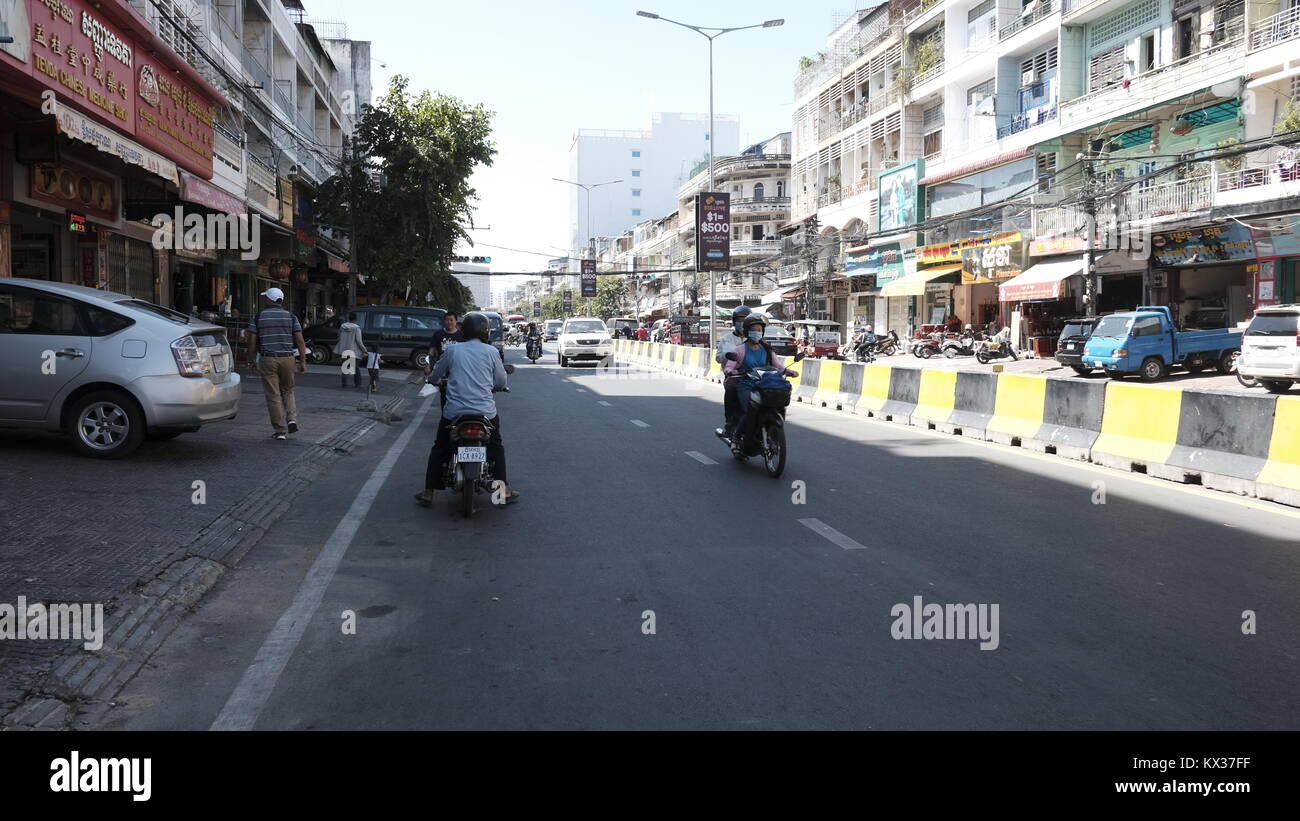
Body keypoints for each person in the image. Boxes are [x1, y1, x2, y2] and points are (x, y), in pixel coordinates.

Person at [415, 312, 518, 507]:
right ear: (486, 331)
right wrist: (496, 386)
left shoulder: (453, 350)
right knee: (496, 447)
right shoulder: (491, 352)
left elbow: (436, 374)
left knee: (440, 447)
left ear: (464, 330)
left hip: (455, 412)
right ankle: (503, 491)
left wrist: (433, 381)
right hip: (485, 412)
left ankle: (428, 492)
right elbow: (501, 380)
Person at [723, 314, 796, 451]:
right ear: (747, 331)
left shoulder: (767, 349)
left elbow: (777, 365)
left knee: (777, 406)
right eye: (754, 329)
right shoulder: (739, 350)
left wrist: (788, 371)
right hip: (746, 385)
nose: (757, 332)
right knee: (750, 411)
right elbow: (729, 366)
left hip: (764, 385)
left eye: (759, 330)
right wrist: (730, 372)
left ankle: (772, 435)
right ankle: (737, 439)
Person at [245, 287, 307, 440]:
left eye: (266, 297)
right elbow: (300, 341)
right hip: (288, 358)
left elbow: (251, 341)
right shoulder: (291, 317)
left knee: (273, 395)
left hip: (268, 359)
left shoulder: (258, 316)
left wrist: (251, 359)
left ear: (269, 300)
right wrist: (303, 361)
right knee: (288, 390)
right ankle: (291, 418)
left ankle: (280, 430)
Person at [714, 305, 752, 438]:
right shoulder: (727, 339)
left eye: (745, 320)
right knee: (731, 391)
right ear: (734, 322)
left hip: (753, 376)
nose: (742, 323)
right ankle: (730, 423)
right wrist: (728, 355)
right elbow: (718, 358)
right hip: (734, 376)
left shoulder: (754, 339)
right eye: (739, 320)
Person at [334, 311, 367, 389]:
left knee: (345, 367)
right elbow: (359, 341)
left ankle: (344, 383)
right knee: (356, 367)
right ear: (356, 319)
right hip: (353, 350)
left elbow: (339, 337)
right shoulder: (357, 328)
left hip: (344, 350)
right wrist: (364, 350)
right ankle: (357, 384)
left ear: (349, 318)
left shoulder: (342, 327)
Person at [424, 312, 464, 376]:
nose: (449, 322)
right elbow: (431, 350)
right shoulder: (438, 334)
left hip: (456, 368)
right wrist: (427, 364)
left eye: (451, 320)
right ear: (444, 321)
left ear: (456, 321)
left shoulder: (462, 335)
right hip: (440, 367)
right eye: (447, 320)